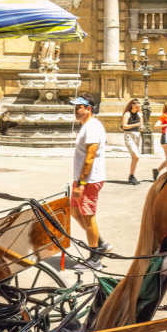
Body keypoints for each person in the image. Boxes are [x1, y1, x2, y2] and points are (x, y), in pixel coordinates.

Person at [70, 96, 108, 267]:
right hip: (81, 179)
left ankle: (95, 258)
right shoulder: (87, 126)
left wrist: (82, 184)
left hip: (89, 180)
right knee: (74, 211)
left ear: (88, 108)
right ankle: (99, 243)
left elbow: (90, 157)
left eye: (79, 107)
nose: (75, 111)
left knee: (88, 216)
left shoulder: (92, 127)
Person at [121, 97, 143, 184]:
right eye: (137, 106)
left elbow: (141, 126)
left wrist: (141, 127)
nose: (138, 108)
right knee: (136, 156)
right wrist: (137, 124)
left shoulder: (140, 114)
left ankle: (131, 176)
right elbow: (124, 126)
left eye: (139, 107)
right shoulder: (127, 114)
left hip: (137, 136)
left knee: (135, 158)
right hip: (128, 136)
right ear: (132, 106)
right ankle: (131, 176)